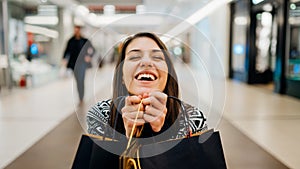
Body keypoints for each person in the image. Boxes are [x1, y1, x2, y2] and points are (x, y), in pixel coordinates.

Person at [86, 32, 207, 140]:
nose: (146, 62)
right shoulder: (101, 115)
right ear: (122, 75)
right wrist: (127, 137)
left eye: (157, 57)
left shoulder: (192, 119)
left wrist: (162, 133)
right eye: (134, 57)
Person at [62, 25, 95, 105]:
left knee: (81, 79)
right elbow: (66, 51)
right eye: (75, 30)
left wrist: (89, 56)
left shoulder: (85, 40)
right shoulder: (70, 40)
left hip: (82, 63)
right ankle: (80, 96)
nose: (76, 31)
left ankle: (81, 97)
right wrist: (64, 59)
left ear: (80, 31)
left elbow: (93, 49)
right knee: (77, 80)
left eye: (78, 30)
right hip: (73, 64)